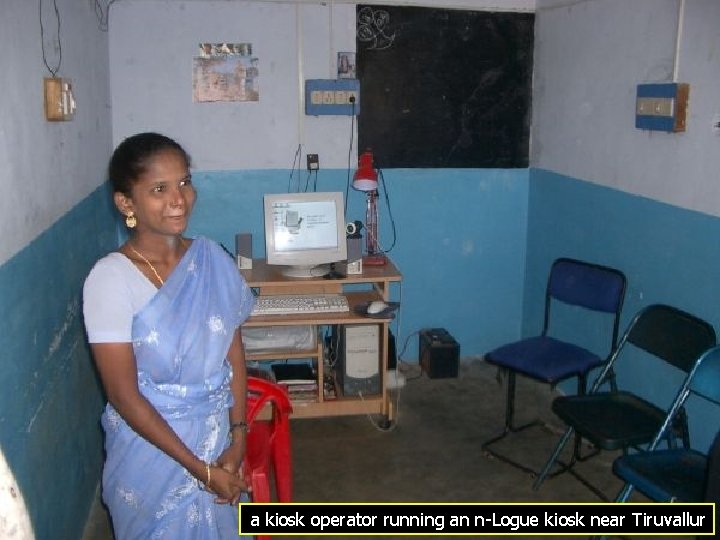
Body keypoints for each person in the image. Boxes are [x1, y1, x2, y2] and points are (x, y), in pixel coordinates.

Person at [83, 132, 255, 538]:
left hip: (217, 443)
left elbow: (235, 359)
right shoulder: (110, 280)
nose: (179, 199)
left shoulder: (212, 261)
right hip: (152, 457)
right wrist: (201, 470)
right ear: (127, 203)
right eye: (159, 189)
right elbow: (124, 396)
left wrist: (238, 437)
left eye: (184, 182)